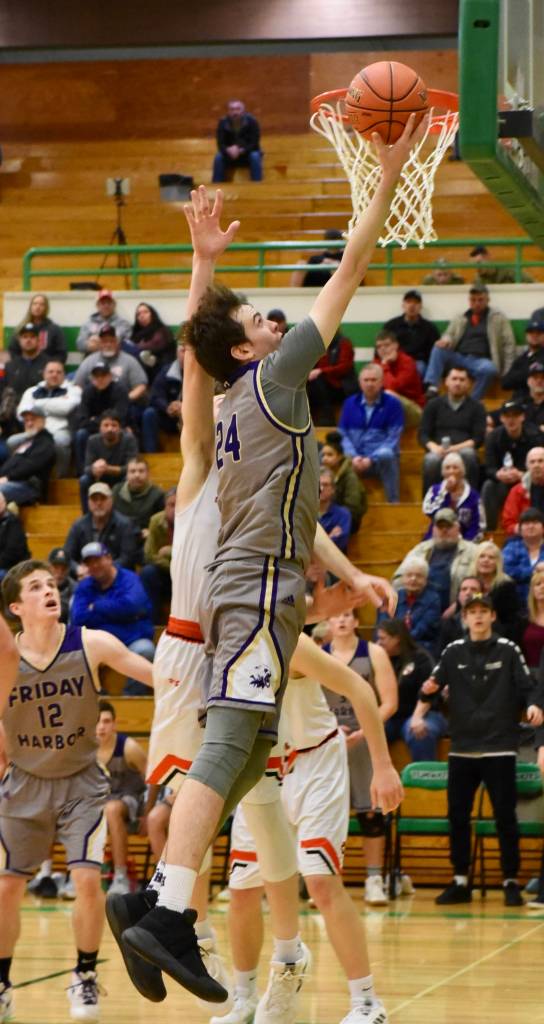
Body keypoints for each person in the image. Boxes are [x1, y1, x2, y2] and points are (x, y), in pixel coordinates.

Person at [118, 121, 418, 997]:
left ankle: (158, 907)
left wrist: (205, 268)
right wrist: (388, 173)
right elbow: (351, 272)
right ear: (251, 350)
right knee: (226, 754)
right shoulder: (278, 378)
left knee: (246, 756)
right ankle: (172, 913)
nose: (273, 317)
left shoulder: (232, 400)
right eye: (259, 318)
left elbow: (193, 362)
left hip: (253, 595)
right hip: (254, 592)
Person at [0, 559, 153, 1021]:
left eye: (52, 584)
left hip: (82, 782)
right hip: (24, 782)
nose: (49, 590)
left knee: (87, 879)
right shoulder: (6, 660)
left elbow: (160, 676)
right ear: (15, 606)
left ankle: (85, 974)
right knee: (7, 888)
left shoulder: (91, 642)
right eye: (36, 586)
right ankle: (2, 982)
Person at [225, 631, 402, 1024]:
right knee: (242, 890)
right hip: (261, 767)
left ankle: (368, 1002)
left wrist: (383, 766)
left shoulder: (286, 636)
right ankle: (244, 997)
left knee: (320, 880)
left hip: (314, 760)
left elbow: (359, 689)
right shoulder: (222, 636)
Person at [416, 592, 543, 906]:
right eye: (471, 611)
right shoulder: (452, 651)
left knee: (505, 816)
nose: (477, 616)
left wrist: (534, 707)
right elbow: (430, 688)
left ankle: (510, 881)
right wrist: (424, 697)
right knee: (457, 816)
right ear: (465, 617)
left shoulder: (509, 650)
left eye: (483, 611)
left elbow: (529, 688)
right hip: (462, 748)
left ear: (492, 616)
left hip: (499, 747)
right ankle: (460, 880)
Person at [322, 609, 398, 907]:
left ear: (355, 622)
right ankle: (328, 881)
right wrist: (329, 727)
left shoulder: (374, 652)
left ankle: (374, 878)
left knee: (371, 814)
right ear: (327, 621)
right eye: (335, 616)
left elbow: (390, 702)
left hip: (366, 741)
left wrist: (365, 729)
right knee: (328, 815)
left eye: (347, 616)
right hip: (330, 740)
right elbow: (309, 701)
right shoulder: (318, 653)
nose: (340, 620)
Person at [70, 543, 155, 695]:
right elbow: (78, 617)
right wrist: (120, 615)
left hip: (131, 640)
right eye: (89, 562)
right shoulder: (84, 586)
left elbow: (132, 606)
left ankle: (130, 700)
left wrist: (96, 607)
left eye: (98, 559)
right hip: (98, 643)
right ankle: (95, 697)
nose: (94, 565)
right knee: (74, 653)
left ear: (109, 558)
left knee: (145, 649)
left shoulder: (129, 579)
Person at [423, 284, 516, 401]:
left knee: (490, 370)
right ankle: (432, 387)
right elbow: (448, 334)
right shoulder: (460, 317)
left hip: (481, 361)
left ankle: (472, 401)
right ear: (469, 301)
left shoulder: (498, 318)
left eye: (480, 300)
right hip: (459, 357)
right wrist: (446, 340)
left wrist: (508, 372)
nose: (477, 303)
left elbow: (508, 345)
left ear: (488, 300)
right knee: (438, 348)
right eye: (473, 300)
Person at [96, 701, 149, 895]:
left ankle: (121, 876)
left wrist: (147, 814)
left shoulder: (129, 747)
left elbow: (152, 780)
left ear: (114, 724)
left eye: (106, 721)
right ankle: (79, 876)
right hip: (102, 800)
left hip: (131, 799)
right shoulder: (86, 750)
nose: (101, 726)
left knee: (112, 808)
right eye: (97, 722)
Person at [376, 618, 447, 760]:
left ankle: (424, 778)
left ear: (396, 639)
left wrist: (418, 717)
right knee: (369, 733)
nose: (378, 643)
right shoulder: (378, 659)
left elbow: (430, 693)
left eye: (383, 638)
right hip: (390, 717)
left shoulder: (421, 658)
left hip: (423, 712)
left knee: (420, 732)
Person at [338, 363, 404, 503]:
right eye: (366, 380)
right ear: (360, 383)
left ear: (381, 382)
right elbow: (342, 434)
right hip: (355, 459)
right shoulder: (349, 403)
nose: (369, 384)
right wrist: (354, 457)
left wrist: (371, 459)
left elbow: (393, 438)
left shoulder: (393, 404)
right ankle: (341, 507)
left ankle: (393, 503)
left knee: (387, 454)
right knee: (327, 456)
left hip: (379, 461)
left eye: (374, 380)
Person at [393, 509, 478, 613]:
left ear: (458, 528)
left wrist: (457, 607)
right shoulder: (420, 550)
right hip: (421, 612)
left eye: (449, 526)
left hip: (461, 613)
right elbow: (397, 580)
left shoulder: (474, 551)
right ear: (433, 529)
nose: (444, 530)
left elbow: (482, 587)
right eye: (440, 527)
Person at [418, 365, 486, 492]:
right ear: (446, 382)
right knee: (431, 460)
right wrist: (435, 448)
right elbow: (423, 434)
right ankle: (430, 503)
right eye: (454, 379)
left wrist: (454, 449)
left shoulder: (477, 407)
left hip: (463, 449)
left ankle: (470, 499)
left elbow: (478, 438)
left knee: (469, 455)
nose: (458, 383)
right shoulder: (433, 405)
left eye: (462, 380)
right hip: (438, 450)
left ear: (468, 384)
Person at [482, 399, 541, 530]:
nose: (511, 420)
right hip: (502, 481)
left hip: (529, 480)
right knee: (489, 486)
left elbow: (541, 465)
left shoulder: (535, 435)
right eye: (507, 416)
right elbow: (488, 468)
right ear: (501, 418)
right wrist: (498, 474)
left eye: (515, 415)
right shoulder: (493, 437)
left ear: (522, 417)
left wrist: (522, 474)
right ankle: (490, 529)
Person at [16, 359, 81, 477]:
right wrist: (55, 404)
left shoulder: (73, 390)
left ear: (64, 375)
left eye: (58, 372)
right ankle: (21, 475)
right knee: (12, 442)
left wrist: (37, 405)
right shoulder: (31, 391)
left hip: (60, 430)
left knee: (61, 442)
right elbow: (21, 413)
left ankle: (61, 477)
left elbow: (66, 408)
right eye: (50, 372)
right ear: (44, 374)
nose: (54, 375)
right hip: (34, 431)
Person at [64, 482, 139, 571]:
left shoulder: (125, 525)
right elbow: (67, 556)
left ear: (111, 501)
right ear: (88, 503)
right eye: (94, 499)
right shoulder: (78, 525)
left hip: (116, 577)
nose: (98, 503)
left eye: (103, 499)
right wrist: (78, 569)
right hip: (85, 575)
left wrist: (102, 570)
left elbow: (127, 559)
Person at [73, 361, 130, 475]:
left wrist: (95, 420)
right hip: (93, 431)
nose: (100, 379)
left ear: (110, 376)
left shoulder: (120, 389)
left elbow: (120, 417)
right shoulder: (88, 391)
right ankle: (82, 473)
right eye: (96, 376)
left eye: (103, 375)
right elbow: (81, 420)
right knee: (80, 434)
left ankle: (124, 472)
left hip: (117, 428)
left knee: (127, 433)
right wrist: (101, 424)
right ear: (92, 378)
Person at [79, 410, 138, 513]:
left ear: (120, 428)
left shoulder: (129, 440)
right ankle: (87, 516)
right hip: (100, 477)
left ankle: (123, 515)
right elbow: (86, 468)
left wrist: (107, 468)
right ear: (100, 428)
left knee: (130, 478)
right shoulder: (92, 440)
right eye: (106, 425)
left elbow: (131, 467)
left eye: (114, 425)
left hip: (120, 478)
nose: (110, 429)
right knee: (84, 480)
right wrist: (94, 469)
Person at [380, 557, 442, 655]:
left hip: (419, 648)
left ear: (426, 580)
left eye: (419, 576)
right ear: (403, 578)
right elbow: (381, 626)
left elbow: (421, 630)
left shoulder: (433, 600)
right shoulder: (392, 598)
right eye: (409, 575)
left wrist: (397, 643)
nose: (413, 579)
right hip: (390, 647)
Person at [74, 325, 147, 404]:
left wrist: (124, 400)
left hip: (124, 405)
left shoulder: (130, 361)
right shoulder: (89, 361)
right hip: (95, 406)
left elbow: (141, 387)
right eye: (104, 341)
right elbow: (78, 386)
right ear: (99, 343)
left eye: (112, 341)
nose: (108, 345)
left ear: (118, 343)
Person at [422, 451, 485, 542]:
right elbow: (429, 511)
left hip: (465, 544)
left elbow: (479, 526)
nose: (451, 471)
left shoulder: (473, 496)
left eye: (455, 467)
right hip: (436, 541)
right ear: (443, 472)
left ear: (462, 471)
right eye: (447, 468)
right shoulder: (434, 490)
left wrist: (465, 545)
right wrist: (444, 492)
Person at [0, 407, 56, 506]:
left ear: (43, 421)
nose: (29, 423)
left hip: (30, 487)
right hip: (13, 483)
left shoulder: (45, 442)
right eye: (26, 420)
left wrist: (8, 477)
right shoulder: (27, 442)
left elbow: (31, 466)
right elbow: (11, 464)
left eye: (33, 420)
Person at [112, 456, 165, 556]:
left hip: (144, 541)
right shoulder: (116, 491)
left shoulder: (158, 494)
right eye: (132, 471)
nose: (137, 475)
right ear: (127, 474)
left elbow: (162, 521)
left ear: (148, 473)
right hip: (120, 539)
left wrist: (151, 531)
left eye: (141, 471)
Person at [469, 540, 522, 638]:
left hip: (499, 637)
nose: (486, 560)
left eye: (491, 557)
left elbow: (511, 622)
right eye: (482, 556)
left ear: (498, 563)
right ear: (476, 560)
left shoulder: (506, 586)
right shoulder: (468, 583)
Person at [306, 329, 358, 425]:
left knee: (316, 379)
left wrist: (322, 371)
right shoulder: (318, 346)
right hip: (323, 386)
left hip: (342, 386)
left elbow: (344, 367)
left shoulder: (344, 343)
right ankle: (306, 420)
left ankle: (327, 416)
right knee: (307, 383)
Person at [383, 289, 440, 375]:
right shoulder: (391, 326)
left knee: (419, 367)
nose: (412, 305)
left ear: (420, 306)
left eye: (416, 302)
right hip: (395, 361)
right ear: (403, 305)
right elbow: (381, 346)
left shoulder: (429, 328)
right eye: (409, 302)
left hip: (418, 363)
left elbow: (434, 355)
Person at [373, 329, 424, 425]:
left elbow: (393, 387)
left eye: (387, 345)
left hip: (414, 408)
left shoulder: (407, 362)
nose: (383, 349)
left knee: (388, 395)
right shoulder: (376, 363)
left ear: (396, 345)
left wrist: (385, 365)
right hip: (388, 409)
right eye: (379, 347)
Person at [140, 489, 176, 623]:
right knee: (148, 572)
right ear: (165, 507)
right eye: (171, 505)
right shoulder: (155, 521)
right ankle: (152, 623)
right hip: (166, 573)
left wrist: (171, 551)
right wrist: (172, 565)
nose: (174, 509)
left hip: (187, 573)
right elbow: (149, 555)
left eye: (178, 505)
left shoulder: (193, 521)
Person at [320, 430, 367, 532]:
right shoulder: (320, 474)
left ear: (339, 457)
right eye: (323, 455)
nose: (325, 459)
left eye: (329, 455)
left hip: (346, 520)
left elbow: (353, 509)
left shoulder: (350, 477)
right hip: (324, 516)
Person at [142, 342, 183, 448]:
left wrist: (185, 407)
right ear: (177, 353)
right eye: (182, 351)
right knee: (149, 414)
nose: (185, 355)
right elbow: (154, 396)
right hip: (170, 416)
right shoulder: (166, 371)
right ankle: (151, 455)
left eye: (189, 352)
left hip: (193, 416)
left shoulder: (204, 372)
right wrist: (168, 406)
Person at [212, 99, 262, 182]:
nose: (235, 112)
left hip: (246, 154)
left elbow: (254, 143)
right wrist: (228, 150)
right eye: (232, 109)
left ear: (243, 110)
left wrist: (240, 150)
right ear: (228, 111)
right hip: (229, 155)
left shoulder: (252, 121)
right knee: (218, 157)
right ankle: (216, 187)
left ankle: (258, 186)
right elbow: (220, 144)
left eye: (238, 109)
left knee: (255, 156)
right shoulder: (222, 122)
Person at [502, 508, 544, 608]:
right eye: (526, 523)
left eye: (535, 522)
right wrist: (534, 571)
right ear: (520, 529)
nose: (531, 526)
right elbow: (507, 571)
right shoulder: (511, 547)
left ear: (543, 528)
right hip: (516, 605)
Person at [8, 294, 66, 363]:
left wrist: (50, 366)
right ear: (30, 307)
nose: (38, 307)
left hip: (46, 369)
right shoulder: (21, 328)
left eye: (41, 304)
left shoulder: (55, 330)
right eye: (35, 304)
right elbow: (13, 351)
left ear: (46, 308)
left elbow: (61, 354)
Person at [435, 574, 484, 653]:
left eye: (474, 589)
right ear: (458, 595)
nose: (468, 593)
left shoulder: (490, 623)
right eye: (464, 589)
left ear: (481, 595)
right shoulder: (448, 623)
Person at [127, 302, 176, 380]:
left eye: (145, 312)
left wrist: (137, 349)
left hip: (161, 371)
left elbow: (156, 345)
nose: (142, 316)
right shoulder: (135, 334)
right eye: (138, 314)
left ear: (152, 314)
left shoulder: (163, 331)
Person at [502, 447, 544, 534]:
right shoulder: (516, 491)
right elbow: (508, 523)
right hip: (524, 538)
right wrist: (527, 530)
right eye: (532, 462)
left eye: (540, 461)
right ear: (527, 466)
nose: (536, 465)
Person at [1, 323, 48, 401]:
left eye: (32, 337)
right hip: (14, 410)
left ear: (38, 341)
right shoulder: (10, 366)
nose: (28, 340)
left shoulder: (48, 365)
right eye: (25, 337)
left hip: (40, 410)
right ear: (19, 341)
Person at [76, 289, 131, 354]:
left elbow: (123, 341)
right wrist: (88, 345)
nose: (106, 306)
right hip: (93, 360)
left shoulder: (123, 323)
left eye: (109, 303)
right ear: (97, 306)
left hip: (117, 359)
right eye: (103, 303)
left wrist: (98, 341)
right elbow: (79, 345)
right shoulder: (88, 324)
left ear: (114, 305)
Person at [501, 319, 544, 398]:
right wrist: (529, 373)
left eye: (539, 333)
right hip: (518, 401)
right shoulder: (521, 358)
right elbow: (505, 383)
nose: (534, 335)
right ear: (526, 336)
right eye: (531, 333)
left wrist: (518, 376)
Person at [318, 466, 352, 552]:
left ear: (333, 489)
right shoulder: (305, 513)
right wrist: (329, 537)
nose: (321, 489)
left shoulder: (343, 514)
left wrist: (315, 544)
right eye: (318, 484)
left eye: (325, 485)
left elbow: (340, 544)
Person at [521, 564, 544, 670]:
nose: (542, 587)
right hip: (530, 675)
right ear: (532, 590)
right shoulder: (523, 618)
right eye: (538, 584)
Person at [48, 546, 76, 624]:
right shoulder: (40, 588)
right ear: (49, 567)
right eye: (56, 567)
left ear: (69, 569)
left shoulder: (76, 589)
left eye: (64, 568)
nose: (59, 572)